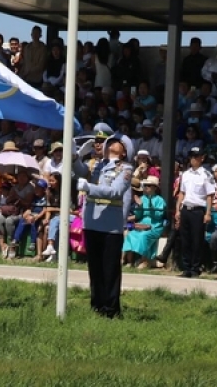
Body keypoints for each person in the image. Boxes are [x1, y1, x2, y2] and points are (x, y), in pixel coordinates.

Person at [72, 132, 134, 318]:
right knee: (95, 268)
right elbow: (79, 171)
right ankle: (97, 304)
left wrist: (88, 187)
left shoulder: (125, 169)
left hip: (110, 226)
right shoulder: (96, 165)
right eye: (110, 142)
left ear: (124, 152)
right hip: (91, 223)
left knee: (110, 269)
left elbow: (115, 192)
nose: (111, 144)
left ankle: (111, 309)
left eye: (117, 143)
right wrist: (76, 156)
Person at [175, 146, 216, 278]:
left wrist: (208, 213)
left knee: (197, 240)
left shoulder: (206, 175)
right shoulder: (185, 174)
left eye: (196, 156)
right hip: (186, 209)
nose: (193, 159)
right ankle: (186, 267)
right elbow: (182, 193)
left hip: (198, 210)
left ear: (202, 158)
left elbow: (210, 195)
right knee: (185, 239)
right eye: (191, 156)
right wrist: (178, 210)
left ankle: (195, 268)